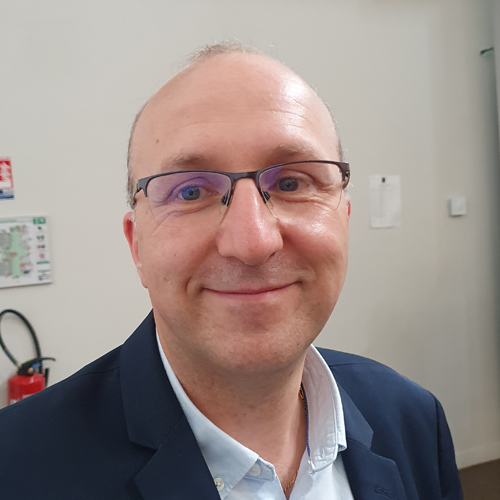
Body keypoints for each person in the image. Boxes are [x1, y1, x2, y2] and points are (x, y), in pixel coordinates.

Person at [0, 42, 462, 500]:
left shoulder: (412, 419)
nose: (252, 242)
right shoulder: (15, 467)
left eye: (291, 182)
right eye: (190, 192)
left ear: (343, 218)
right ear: (136, 245)